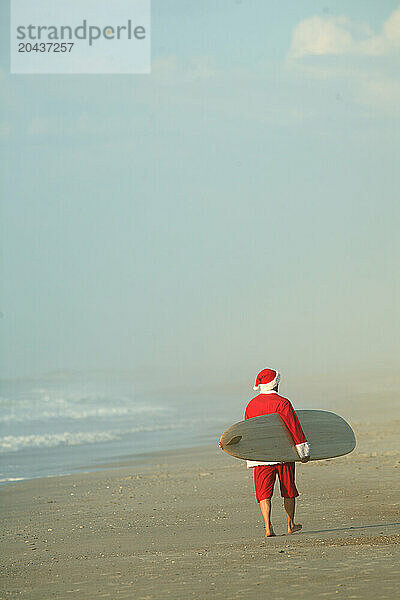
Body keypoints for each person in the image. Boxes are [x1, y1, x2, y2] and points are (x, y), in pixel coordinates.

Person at [245, 368, 310, 537]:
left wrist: (250, 454)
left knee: (263, 492)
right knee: (288, 489)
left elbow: (248, 431)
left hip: (261, 456)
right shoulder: (283, 403)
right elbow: (294, 428)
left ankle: (268, 527)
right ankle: (290, 524)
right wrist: (303, 452)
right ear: (276, 383)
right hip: (283, 454)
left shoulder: (251, 405)